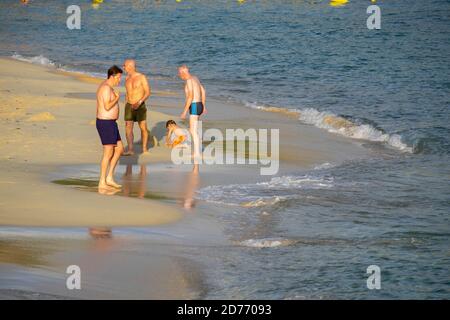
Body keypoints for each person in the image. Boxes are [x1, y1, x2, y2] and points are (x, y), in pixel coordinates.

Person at [95, 65, 124, 190]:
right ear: (112, 76)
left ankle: (109, 177)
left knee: (119, 149)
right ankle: (102, 181)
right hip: (106, 123)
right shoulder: (106, 88)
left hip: (111, 123)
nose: (119, 80)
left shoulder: (108, 87)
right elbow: (107, 106)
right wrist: (117, 98)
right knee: (108, 153)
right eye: (118, 77)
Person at [122, 59, 152, 155]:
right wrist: (126, 104)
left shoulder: (141, 77)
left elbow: (148, 92)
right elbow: (127, 93)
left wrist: (139, 102)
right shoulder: (127, 78)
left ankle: (144, 149)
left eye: (125, 65)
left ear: (130, 66)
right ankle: (131, 149)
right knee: (128, 127)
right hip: (129, 105)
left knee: (143, 127)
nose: (123, 67)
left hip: (140, 104)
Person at [178, 65, 206, 160]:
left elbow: (190, 96)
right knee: (195, 129)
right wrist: (203, 105)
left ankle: (197, 153)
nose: (179, 75)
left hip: (194, 105)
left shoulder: (189, 80)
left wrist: (184, 111)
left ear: (183, 73)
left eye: (179, 73)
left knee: (192, 130)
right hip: (199, 104)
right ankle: (197, 150)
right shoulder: (195, 78)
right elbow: (203, 90)